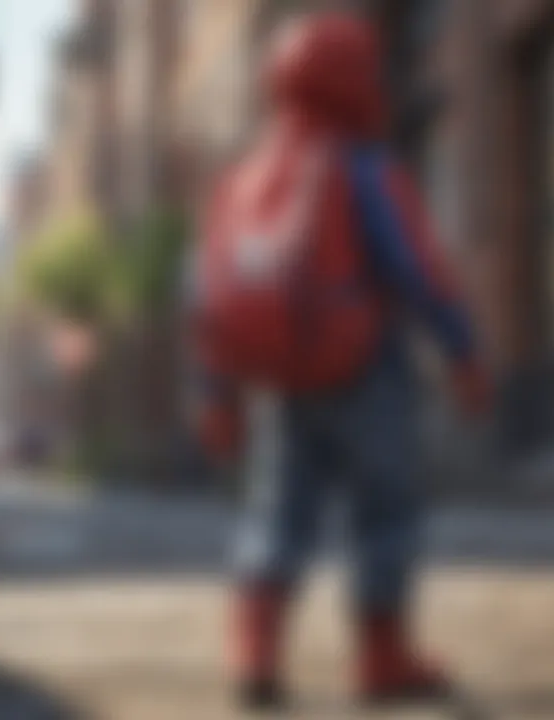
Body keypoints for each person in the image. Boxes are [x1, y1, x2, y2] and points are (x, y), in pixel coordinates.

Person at [187, 11, 491, 711]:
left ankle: (256, 650)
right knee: (387, 506)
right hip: (365, 365)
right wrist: (462, 350)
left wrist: (216, 394)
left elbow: (209, 292)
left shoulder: (243, 178)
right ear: (354, 81)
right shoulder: (363, 167)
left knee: (277, 511)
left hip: (277, 379)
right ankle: (381, 655)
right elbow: (415, 267)